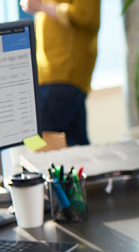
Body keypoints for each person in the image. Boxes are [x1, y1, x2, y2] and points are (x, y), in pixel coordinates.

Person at [20, 0, 99, 146]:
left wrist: (41, 6)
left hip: (63, 74)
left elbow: (87, 15)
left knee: (36, 139)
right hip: (53, 74)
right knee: (75, 142)